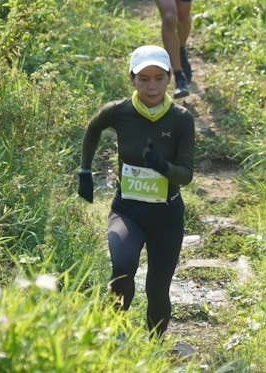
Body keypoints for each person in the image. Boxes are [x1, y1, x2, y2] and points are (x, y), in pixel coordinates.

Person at [77, 45, 195, 338]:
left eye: (158, 78)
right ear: (132, 79)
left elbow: (187, 175)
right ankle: (113, 335)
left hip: (166, 216)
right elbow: (93, 129)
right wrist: (85, 171)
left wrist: (163, 167)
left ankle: (153, 348)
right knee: (122, 267)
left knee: (157, 290)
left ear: (169, 78)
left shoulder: (181, 118)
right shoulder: (119, 112)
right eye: (143, 79)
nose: (151, 86)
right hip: (127, 210)